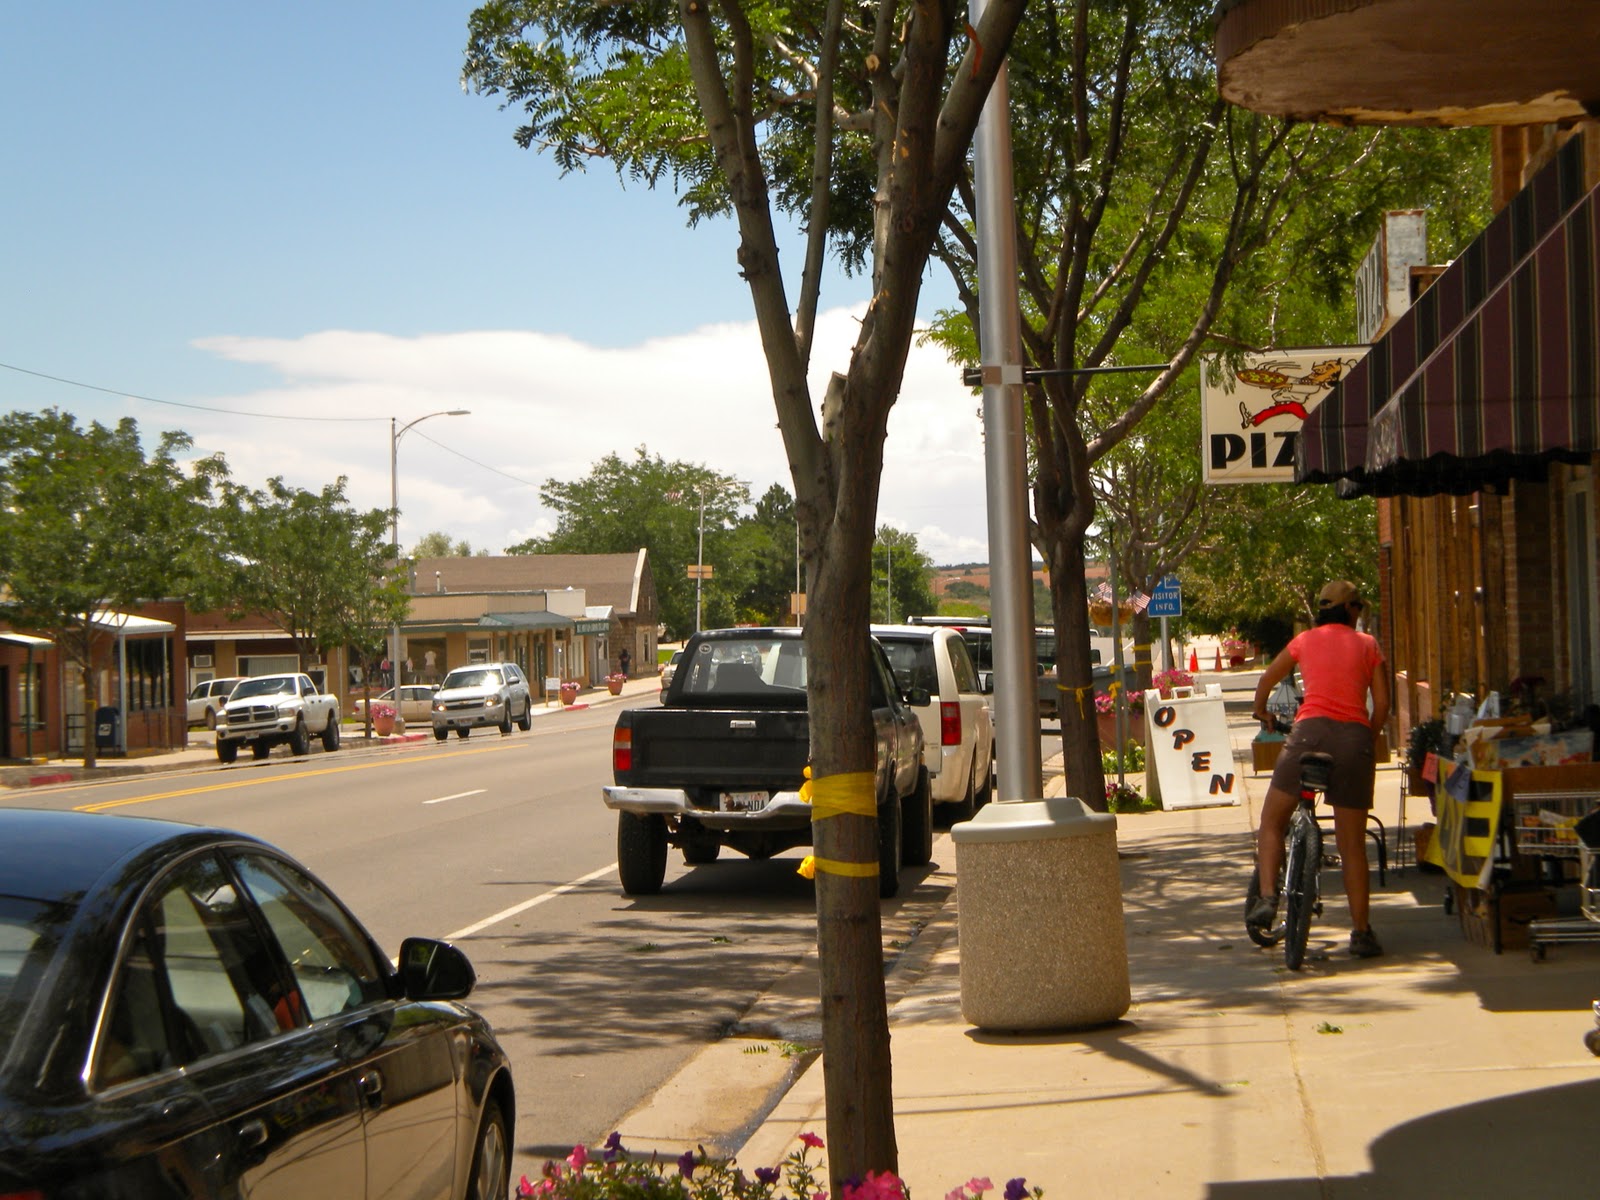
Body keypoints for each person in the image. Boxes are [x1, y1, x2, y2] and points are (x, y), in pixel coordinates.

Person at [1247, 580, 1391, 958]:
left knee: (1272, 821)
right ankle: (1361, 932)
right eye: (1358, 608)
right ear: (1351, 610)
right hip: (1353, 741)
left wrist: (1262, 711)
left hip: (1307, 735)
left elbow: (1266, 680)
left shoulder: (1305, 641)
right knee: (1352, 846)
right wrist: (1366, 738)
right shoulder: (1368, 645)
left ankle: (1266, 897)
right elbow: (1384, 705)